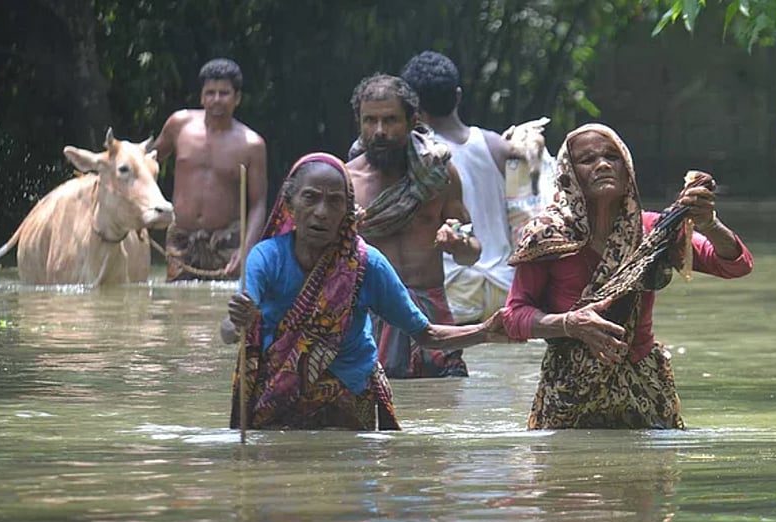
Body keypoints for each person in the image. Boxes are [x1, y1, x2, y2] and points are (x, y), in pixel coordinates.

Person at [221, 153, 508, 431]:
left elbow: (426, 334)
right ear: (289, 205)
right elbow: (230, 329)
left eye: (334, 201)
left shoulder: (366, 264)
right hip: (276, 400)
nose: (321, 212)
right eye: (310, 197)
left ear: (347, 210)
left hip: (346, 403)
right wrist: (238, 322)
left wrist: (484, 331)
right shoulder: (266, 258)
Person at [501, 124, 755, 430]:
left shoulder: (652, 232)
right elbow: (514, 317)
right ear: (569, 174)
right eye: (588, 160)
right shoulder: (547, 237)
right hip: (569, 388)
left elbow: (735, 265)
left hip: (644, 386)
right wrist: (570, 324)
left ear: (628, 169)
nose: (603, 165)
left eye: (612, 156)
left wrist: (709, 223)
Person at [345, 73, 481, 378]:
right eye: (370, 121)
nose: (379, 131)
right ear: (359, 123)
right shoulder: (345, 184)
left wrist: (457, 242)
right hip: (370, 323)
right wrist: (346, 231)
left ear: (412, 120)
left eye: (391, 120)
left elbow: (472, 253)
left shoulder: (438, 176)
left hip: (433, 321)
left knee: (445, 413)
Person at [400, 51, 539, 324]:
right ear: (458, 95)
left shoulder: (418, 156)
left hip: (455, 289)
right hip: (504, 288)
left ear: (412, 110)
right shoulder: (497, 145)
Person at [151, 58, 268, 281]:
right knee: (177, 308)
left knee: (223, 308)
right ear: (201, 97)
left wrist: (246, 248)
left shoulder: (252, 145)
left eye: (224, 93)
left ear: (237, 98)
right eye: (210, 92)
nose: (216, 100)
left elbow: (258, 204)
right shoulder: (179, 125)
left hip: (227, 243)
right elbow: (147, 164)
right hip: (181, 240)